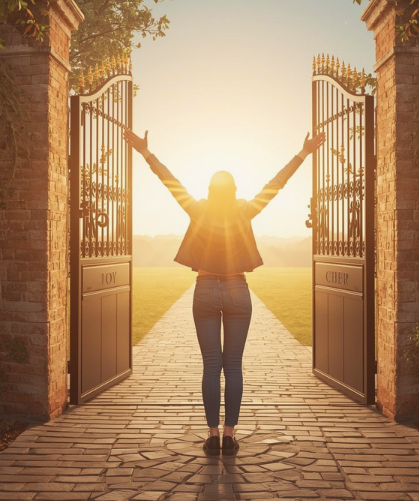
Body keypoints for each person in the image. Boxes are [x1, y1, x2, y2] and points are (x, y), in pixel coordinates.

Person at [123, 128, 326, 455]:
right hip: (237, 291)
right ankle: (230, 436)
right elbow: (275, 185)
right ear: (233, 190)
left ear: (208, 190)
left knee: (210, 365)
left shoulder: (198, 209)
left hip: (204, 290)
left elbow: (170, 181)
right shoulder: (244, 209)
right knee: (232, 366)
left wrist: (146, 152)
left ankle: (212, 435)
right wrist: (302, 153)